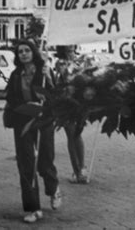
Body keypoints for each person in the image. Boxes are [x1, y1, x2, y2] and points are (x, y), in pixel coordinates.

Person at [4, 39, 62, 223]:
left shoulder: (44, 70)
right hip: (23, 121)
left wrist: (50, 80)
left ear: (33, 52)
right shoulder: (15, 74)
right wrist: (24, 106)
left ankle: (53, 189)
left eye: (27, 50)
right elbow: (11, 98)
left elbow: (55, 95)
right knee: (26, 163)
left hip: (43, 120)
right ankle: (32, 207)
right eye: (20, 51)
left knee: (45, 160)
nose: (23, 54)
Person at [55, 45, 89, 184]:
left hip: (79, 102)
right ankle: (77, 171)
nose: (70, 47)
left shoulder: (82, 59)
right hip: (66, 102)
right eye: (67, 46)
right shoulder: (60, 62)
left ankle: (81, 168)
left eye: (72, 46)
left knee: (77, 134)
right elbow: (67, 77)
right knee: (71, 134)